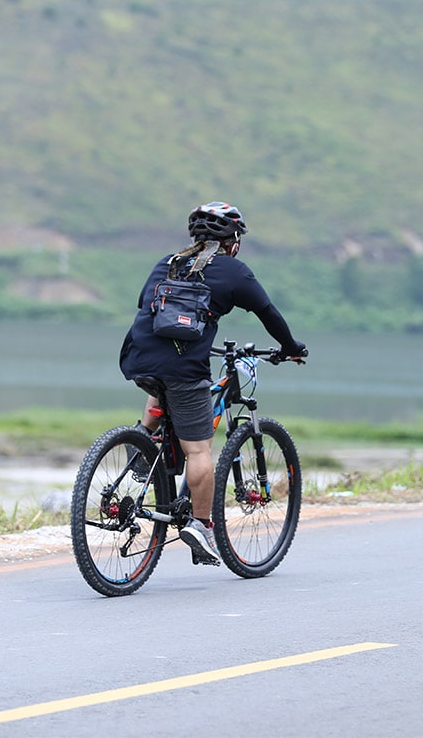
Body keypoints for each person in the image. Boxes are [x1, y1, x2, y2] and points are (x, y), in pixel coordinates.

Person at [119, 202, 307, 566]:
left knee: (161, 387)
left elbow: (145, 303)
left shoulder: (167, 262)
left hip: (137, 357)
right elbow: (268, 312)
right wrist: (290, 347)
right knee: (198, 449)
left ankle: (141, 444)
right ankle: (200, 525)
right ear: (232, 240)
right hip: (183, 367)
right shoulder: (234, 270)